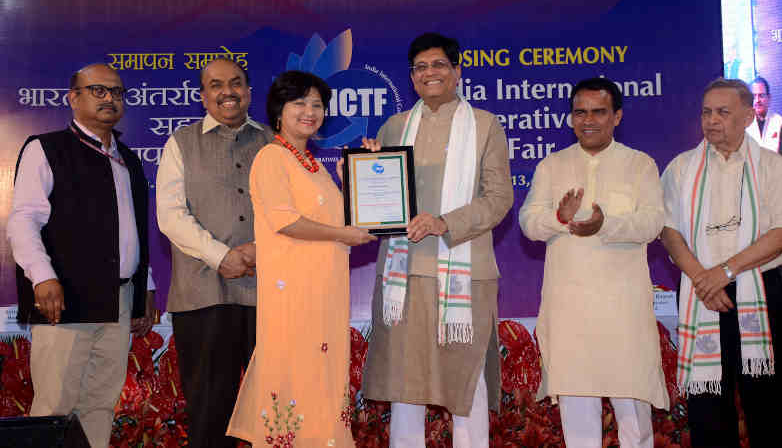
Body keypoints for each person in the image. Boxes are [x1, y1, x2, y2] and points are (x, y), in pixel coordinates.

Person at [361, 33, 514, 448]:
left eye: (439, 64)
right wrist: (371, 165)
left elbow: (500, 199)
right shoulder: (395, 126)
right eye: (421, 67)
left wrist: (444, 222)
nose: (430, 73)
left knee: (465, 384)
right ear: (411, 78)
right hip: (403, 276)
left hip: (466, 276)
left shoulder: (484, 125)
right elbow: (381, 204)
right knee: (404, 385)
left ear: (457, 70)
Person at [7, 63, 155, 448]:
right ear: (73, 98)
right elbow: (24, 220)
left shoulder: (128, 158)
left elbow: (135, 228)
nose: (110, 99)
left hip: (119, 300)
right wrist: (42, 276)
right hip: (64, 299)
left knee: (100, 406)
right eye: (99, 91)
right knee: (55, 408)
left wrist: (146, 287)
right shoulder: (47, 148)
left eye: (117, 92)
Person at [226, 70, 375, 447]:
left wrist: (355, 179)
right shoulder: (271, 157)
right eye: (299, 103)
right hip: (294, 297)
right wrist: (344, 234)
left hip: (325, 295)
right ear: (279, 110)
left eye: (317, 104)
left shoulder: (313, 165)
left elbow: (345, 219)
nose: (310, 111)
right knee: (296, 380)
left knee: (322, 382)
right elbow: (286, 220)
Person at [519, 77, 668, 447]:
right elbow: (528, 223)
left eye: (599, 112)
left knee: (632, 404)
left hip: (623, 306)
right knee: (577, 406)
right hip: (571, 306)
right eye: (580, 112)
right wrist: (559, 218)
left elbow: (653, 222)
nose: (588, 120)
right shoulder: (552, 166)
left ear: (617, 116)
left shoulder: (640, 165)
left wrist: (608, 224)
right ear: (570, 119)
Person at [661, 78, 782, 447]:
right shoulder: (680, 168)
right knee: (706, 406)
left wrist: (724, 271)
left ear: (747, 115)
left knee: (765, 400)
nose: (711, 120)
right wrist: (703, 278)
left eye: (723, 112)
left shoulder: (774, 167)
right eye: (706, 112)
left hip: (757, 289)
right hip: (700, 291)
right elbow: (668, 231)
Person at [155, 57, 270, 448]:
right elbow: (170, 216)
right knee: (209, 411)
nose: (228, 92)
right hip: (204, 296)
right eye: (217, 85)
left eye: (236, 83)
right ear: (203, 96)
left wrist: (261, 250)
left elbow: (295, 213)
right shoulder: (180, 143)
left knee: (272, 411)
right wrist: (223, 256)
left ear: (249, 91)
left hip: (270, 295)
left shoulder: (274, 142)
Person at [746, 77, 782, 158]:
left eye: (761, 95)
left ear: (769, 98)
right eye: (754, 96)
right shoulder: (743, 124)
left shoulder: (779, 122)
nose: (757, 100)